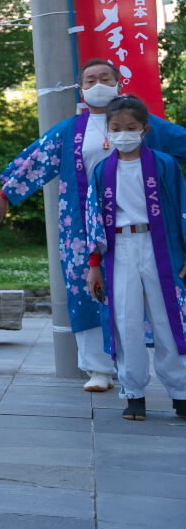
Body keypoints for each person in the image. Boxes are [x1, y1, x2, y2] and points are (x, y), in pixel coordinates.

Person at [0, 59, 186, 392]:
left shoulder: (143, 124)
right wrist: (4, 196)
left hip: (144, 227)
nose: (98, 84)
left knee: (155, 294)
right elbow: (36, 161)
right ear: (81, 89)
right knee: (89, 292)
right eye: (90, 80)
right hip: (84, 229)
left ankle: (158, 375)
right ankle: (98, 369)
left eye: (105, 78)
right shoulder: (69, 130)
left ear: (119, 83)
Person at [85, 95, 186, 422]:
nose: (123, 134)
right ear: (108, 131)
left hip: (160, 247)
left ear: (145, 129)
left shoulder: (165, 165)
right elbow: (93, 220)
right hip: (119, 249)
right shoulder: (103, 170)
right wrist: (94, 265)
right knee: (125, 320)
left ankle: (181, 392)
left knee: (168, 320)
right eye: (116, 128)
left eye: (131, 127)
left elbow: (183, 209)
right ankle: (133, 393)